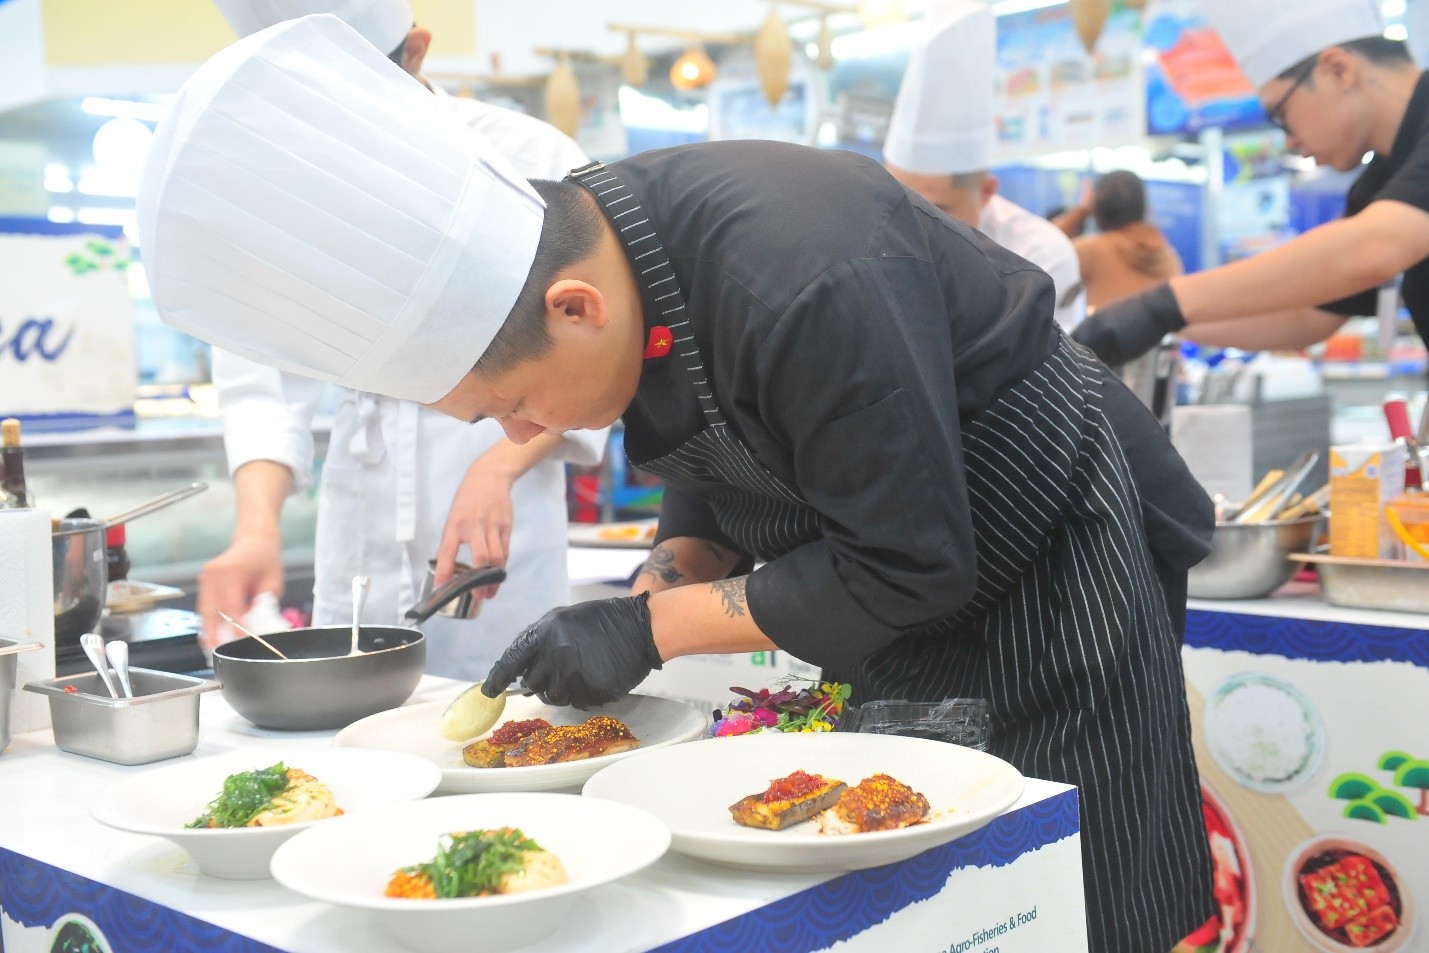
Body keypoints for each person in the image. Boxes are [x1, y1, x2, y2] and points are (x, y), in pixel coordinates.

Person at [138, 16, 1214, 951]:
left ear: (573, 308)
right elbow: (713, 422)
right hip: (894, 565)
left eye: (513, 405)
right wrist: (674, 564)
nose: (517, 435)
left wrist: (655, 632)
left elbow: (906, 557)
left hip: (1034, 544)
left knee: (1075, 866)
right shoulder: (624, 241)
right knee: (911, 866)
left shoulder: (806, 270)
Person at [198, 0, 606, 680]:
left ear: (414, 50)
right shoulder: (292, 189)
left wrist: (498, 465)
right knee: (351, 717)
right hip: (361, 509)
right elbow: (262, 379)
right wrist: (257, 527)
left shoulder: (531, 158)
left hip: (498, 488)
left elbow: (597, 353)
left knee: (510, 711)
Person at [1072, 0, 1429, 366]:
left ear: (1338, 70)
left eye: (1281, 115)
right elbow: (1304, 318)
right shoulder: (1383, 179)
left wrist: (1169, 301)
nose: (1289, 141)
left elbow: (1375, 249)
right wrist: (1163, 322)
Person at [881, 0, 1085, 329]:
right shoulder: (874, 243)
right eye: (898, 204)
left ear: (987, 191)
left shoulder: (1039, 258)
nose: (912, 229)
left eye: (934, 212)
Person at [1054, 170, 1185, 311]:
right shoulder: (1167, 255)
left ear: (1097, 205)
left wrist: (1082, 209)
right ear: (1142, 205)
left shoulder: (1094, 249)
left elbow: (1047, 247)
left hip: (1106, 332)